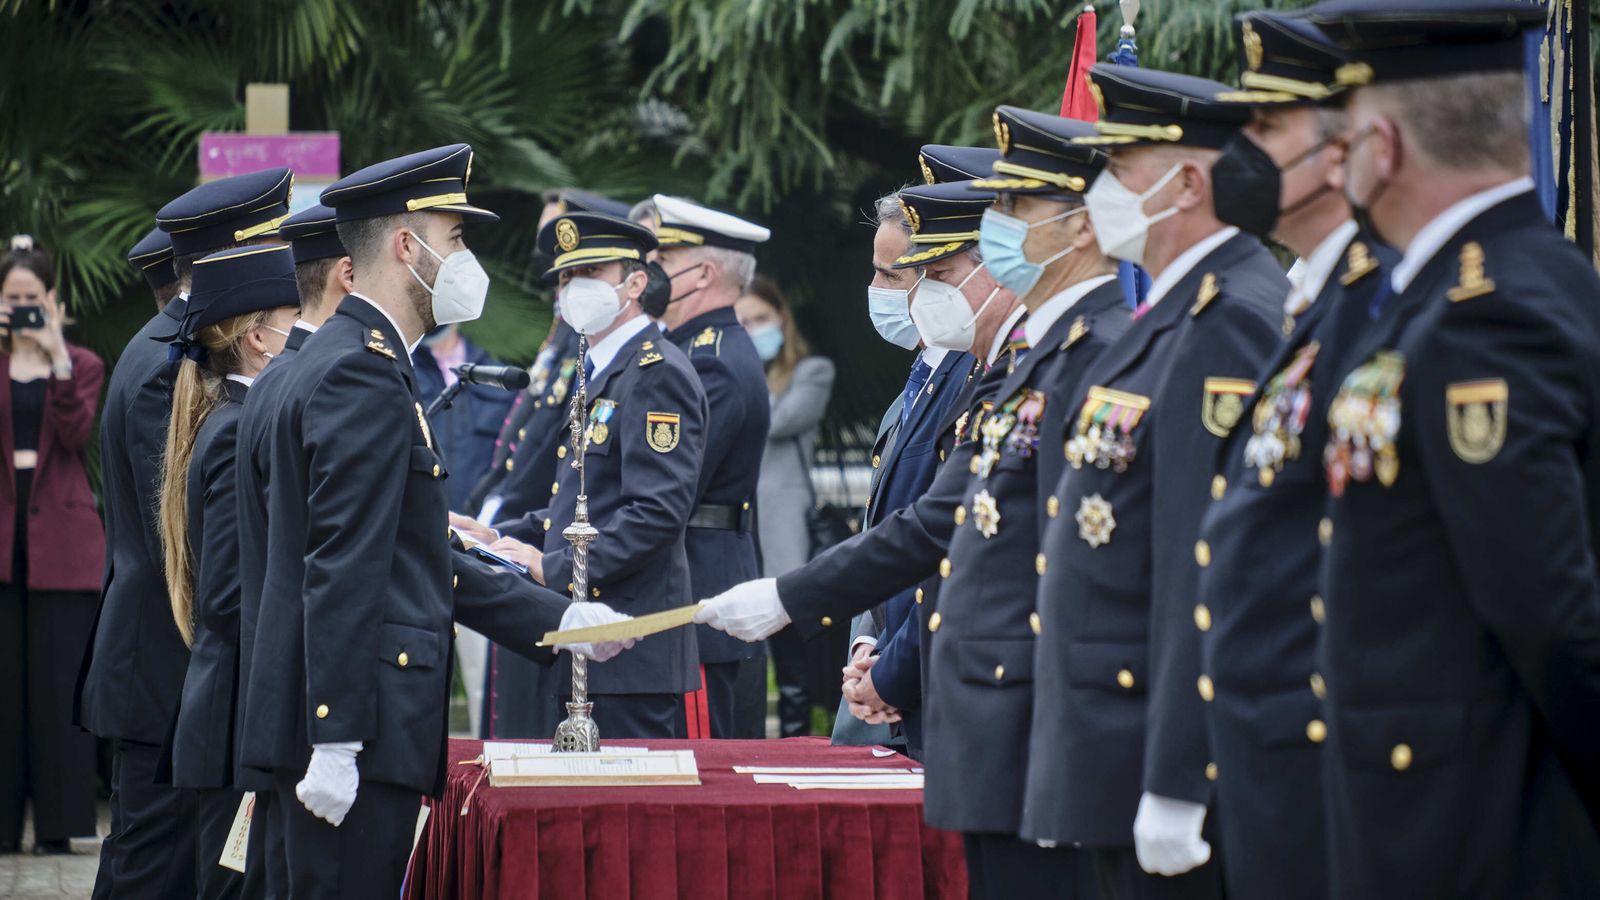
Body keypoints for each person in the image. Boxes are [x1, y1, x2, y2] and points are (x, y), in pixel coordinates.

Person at [699, 113, 1128, 900]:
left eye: (1017, 212)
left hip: (1037, 704)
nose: (918, 293)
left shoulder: (1084, 350)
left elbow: (958, 530)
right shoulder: (1021, 360)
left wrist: (797, 598)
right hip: (974, 697)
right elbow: (952, 525)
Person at [233, 144, 632, 897]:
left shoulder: (329, 362)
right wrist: (337, 737)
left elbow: (407, 552)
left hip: (324, 719)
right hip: (355, 731)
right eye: (456, 237)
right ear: (406, 247)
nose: (464, 259)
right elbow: (341, 562)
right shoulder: (359, 372)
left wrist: (558, 620)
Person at [1301, 1, 1600, 895]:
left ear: (1384, 147)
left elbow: (1551, 616)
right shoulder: (1493, 282)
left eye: (1342, 139)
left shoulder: (1484, 315)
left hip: (1466, 823)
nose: (1337, 162)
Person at [1019, 65, 1288, 898]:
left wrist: (1179, 774)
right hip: (1113, 737)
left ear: (1187, 186)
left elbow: (1200, 560)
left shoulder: (1230, 315)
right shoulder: (1174, 312)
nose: (1097, 193)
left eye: (1118, 171)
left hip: (1156, 745)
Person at [1191, 14, 1397, 900]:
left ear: (1341, 151)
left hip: (1332, 752)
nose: (1241, 153)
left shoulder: (1381, 301)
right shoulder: (1312, 299)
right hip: (1270, 749)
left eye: (1267, 128)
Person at [81, 167, 293, 899]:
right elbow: (185, 538)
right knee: (148, 872)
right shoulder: (169, 364)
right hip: (166, 667)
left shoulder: (172, 347)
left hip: (171, 665)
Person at [458, 209, 708, 740]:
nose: (574, 288)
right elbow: (581, 501)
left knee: (623, 795)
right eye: (565, 276)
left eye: (591, 272)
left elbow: (656, 512)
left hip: (630, 647)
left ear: (635, 283)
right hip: (584, 641)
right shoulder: (598, 369)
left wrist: (552, 567)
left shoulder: (654, 373)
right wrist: (499, 537)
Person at [157, 243, 300, 899]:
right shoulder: (239, 428)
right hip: (237, 711)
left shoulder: (233, 419)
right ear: (259, 339)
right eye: (294, 319)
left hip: (232, 706)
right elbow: (230, 593)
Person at [468, 191, 624, 740]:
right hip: (524, 531)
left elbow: (554, 458)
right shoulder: (564, 335)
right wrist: (490, 519)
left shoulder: (599, 346)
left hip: (551, 548)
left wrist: (519, 533)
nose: (557, 270)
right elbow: (524, 440)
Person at [651, 194, 773, 739]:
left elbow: (672, 488)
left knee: (696, 769)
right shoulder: (692, 351)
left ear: (702, 274)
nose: (649, 271)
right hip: (686, 589)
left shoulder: (710, 362)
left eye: (663, 260)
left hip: (696, 596)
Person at [0, 240, 104, 855]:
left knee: (59, 688)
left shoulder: (82, 363)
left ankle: (59, 828)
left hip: (61, 547)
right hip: (3, 543)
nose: (20, 308)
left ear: (51, 300)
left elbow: (75, 432)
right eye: (10, 298)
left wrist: (56, 354)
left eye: (30, 298)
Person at [735, 275, 836, 737]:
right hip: (739, 521)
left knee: (791, 645)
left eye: (761, 319)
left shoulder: (811, 371)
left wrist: (739, 375)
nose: (753, 330)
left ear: (781, 318)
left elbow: (777, 421)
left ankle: (798, 735)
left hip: (783, 525)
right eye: (742, 323)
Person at [412, 323, 516, 511]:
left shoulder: (497, 376)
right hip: (418, 514)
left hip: (478, 518)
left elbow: (510, 459)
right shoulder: (400, 372)